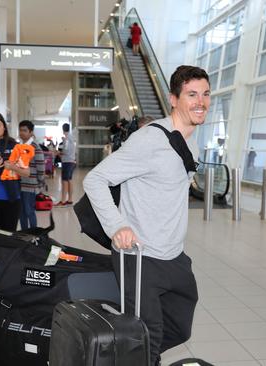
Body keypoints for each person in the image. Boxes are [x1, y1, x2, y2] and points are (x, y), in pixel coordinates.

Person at [83, 65, 209, 366]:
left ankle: (130, 357)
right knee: (146, 333)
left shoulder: (189, 140)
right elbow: (95, 179)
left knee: (179, 326)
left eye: (205, 94)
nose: (200, 102)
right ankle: (141, 358)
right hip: (139, 256)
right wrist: (117, 225)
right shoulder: (149, 140)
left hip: (173, 254)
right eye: (191, 94)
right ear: (174, 99)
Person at [18, 120, 46, 229]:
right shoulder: (19, 147)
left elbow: (41, 167)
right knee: (21, 213)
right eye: (20, 130)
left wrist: (40, 182)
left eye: (24, 130)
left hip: (30, 186)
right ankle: (24, 235)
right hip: (20, 185)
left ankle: (34, 234)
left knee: (29, 211)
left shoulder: (35, 147)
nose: (22, 133)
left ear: (31, 132)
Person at [56, 123, 76, 206]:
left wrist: (58, 153)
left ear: (63, 129)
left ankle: (63, 201)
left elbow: (66, 151)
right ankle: (70, 199)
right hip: (72, 161)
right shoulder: (72, 137)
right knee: (69, 180)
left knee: (64, 181)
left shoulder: (67, 138)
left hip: (67, 162)